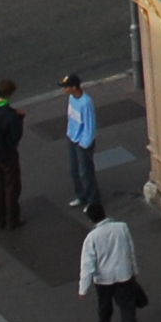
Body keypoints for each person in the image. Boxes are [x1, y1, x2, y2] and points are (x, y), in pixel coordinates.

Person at [74, 206, 143, 322]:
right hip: (124, 275)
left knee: (104, 306)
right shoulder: (122, 227)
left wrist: (83, 289)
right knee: (127, 309)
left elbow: (87, 265)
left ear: (91, 220)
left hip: (103, 280)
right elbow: (130, 250)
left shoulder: (91, 238)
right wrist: (134, 271)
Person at [0, 79, 28, 231]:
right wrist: (20, 118)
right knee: (11, 185)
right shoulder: (11, 115)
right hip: (7, 154)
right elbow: (15, 137)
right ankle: (12, 219)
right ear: (11, 93)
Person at [61, 73, 102, 218]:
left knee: (86, 173)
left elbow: (90, 126)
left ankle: (93, 201)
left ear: (74, 87)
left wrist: (84, 144)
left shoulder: (86, 102)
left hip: (82, 143)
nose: (64, 89)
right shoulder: (72, 98)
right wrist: (70, 134)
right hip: (72, 138)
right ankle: (81, 196)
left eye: (66, 87)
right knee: (73, 170)